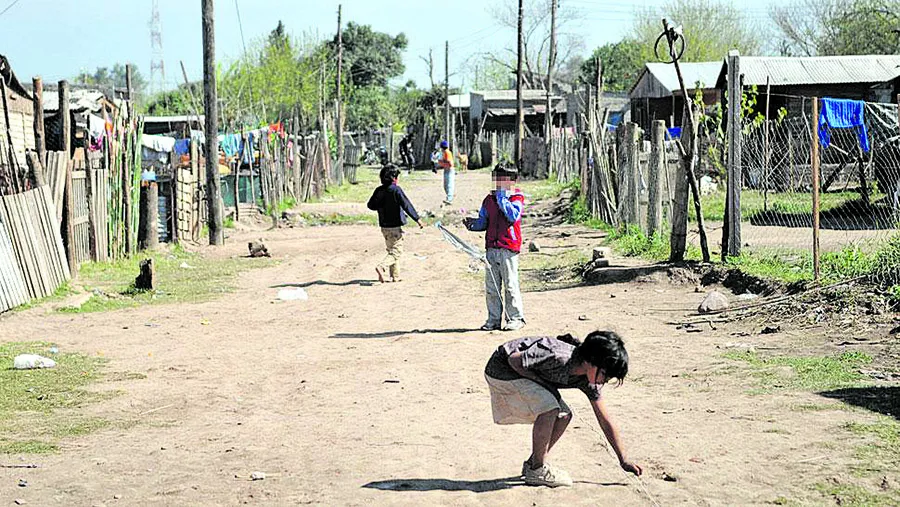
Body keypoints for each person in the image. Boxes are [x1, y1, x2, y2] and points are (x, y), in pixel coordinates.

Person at [483, 331, 643, 488]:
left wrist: (623, 459)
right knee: (550, 408)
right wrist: (544, 385)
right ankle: (537, 470)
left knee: (563, 415)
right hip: (502, 370)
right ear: (591, 361)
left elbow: (604, 419)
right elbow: (514, 360)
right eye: (606, 375)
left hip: (518, 372)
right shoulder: (559, 356)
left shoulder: (588, 380)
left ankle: (533, 463)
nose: (606, 381)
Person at [463, 162, 526, 331]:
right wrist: (474, 224)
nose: (499, 184)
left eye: (503, 181)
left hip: (508, 249)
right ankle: (493, 319)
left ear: (513, 181)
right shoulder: (488, 200)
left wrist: (502, 198)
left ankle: (515, 318)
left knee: (510, 285)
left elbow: (512, 216)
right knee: (492, 287)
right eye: (497, 180)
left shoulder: (516, 198)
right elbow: (484, 221)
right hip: (491, 249)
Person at [366, 164, 423, 283]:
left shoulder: (379, 190)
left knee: (391, 250)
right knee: (397, 252)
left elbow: (370, 205)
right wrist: (417, 219)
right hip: (395, 227)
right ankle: (382, 266)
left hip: (384, 227)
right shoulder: (396, 190)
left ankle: (395, 276)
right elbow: (406, 205)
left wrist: (382, 206)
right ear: (393, 178)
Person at [438, 140, 455, 204]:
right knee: (445, 186)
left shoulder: (447, 152)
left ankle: (449, 199)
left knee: (449, 185)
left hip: (449, 170)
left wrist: (441, 163)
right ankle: (449, 196)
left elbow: (450, 163)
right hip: (446, 169)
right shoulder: (444, 153)